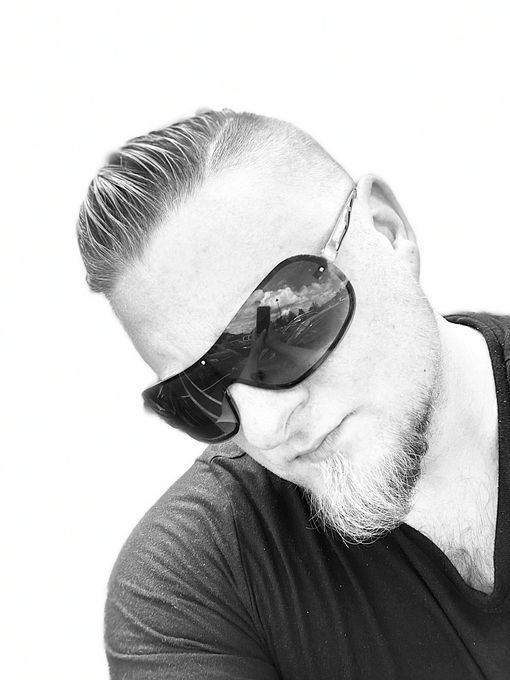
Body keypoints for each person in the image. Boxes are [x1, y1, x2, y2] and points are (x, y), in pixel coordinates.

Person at [77, 109, 510, 679]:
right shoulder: (192, 583)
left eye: (284, 326)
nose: (262, 427)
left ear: (386, 232)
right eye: (198, 394)